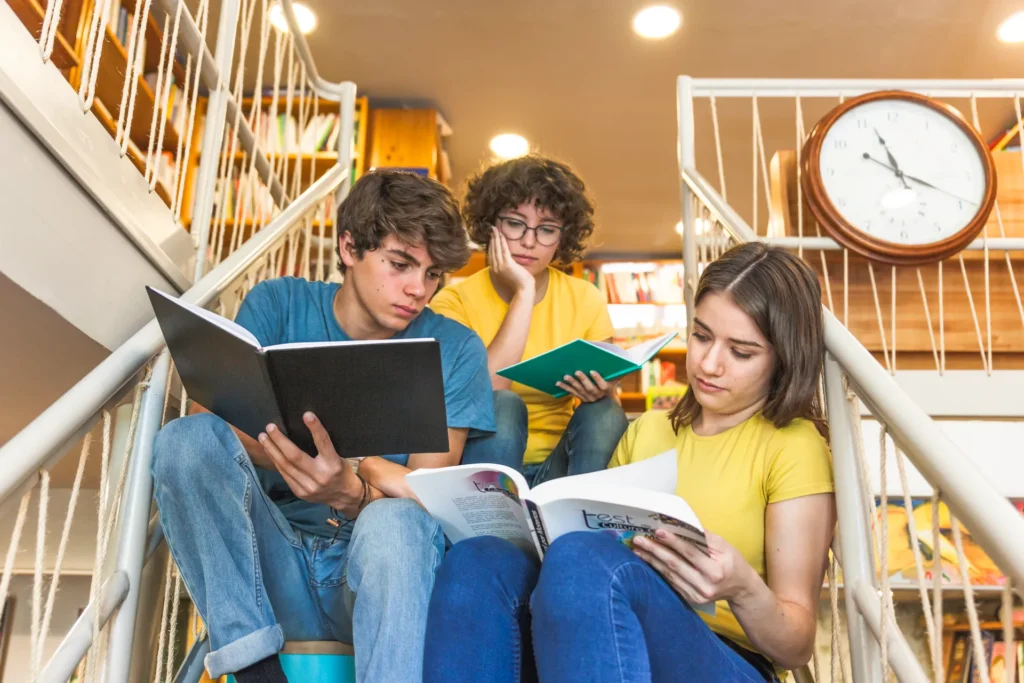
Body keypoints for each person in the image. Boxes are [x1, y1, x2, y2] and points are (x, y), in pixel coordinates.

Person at [423, 242, 837, 683]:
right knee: (477, 560)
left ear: (783, 358)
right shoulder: (649, 430)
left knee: (585, 558)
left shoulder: (794, 446)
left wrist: (741, 586)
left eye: (741, 352)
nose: (709, 364)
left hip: (726, 659)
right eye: (700, 336)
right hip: (614, 640)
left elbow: (796, 646)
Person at [151, 171, 495, 683]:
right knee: (183, 440)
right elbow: (213, 432)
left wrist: (350, 486)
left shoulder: (457, 347)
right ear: (350, 247)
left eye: (432, 274)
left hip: (372, 572)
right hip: (270, 559)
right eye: (401, 264)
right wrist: (341, 465)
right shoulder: (278, 303)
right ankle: (253, 669)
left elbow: (426, 493)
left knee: (397, 521)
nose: (418, 289)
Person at [429, 155, 627, 484]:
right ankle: (495, 523)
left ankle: (582, 525)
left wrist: (603, 392)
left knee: (606, 413)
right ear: (490, 225)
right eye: (515, 223)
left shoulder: (585, 298)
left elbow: (605, 416)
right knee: (503, 403)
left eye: (547, 229)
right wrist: (523, 292)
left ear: (563, 237)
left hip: (559, 468)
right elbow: (479, 398)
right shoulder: (453, 301)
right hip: (483, 465)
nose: (530, 241)